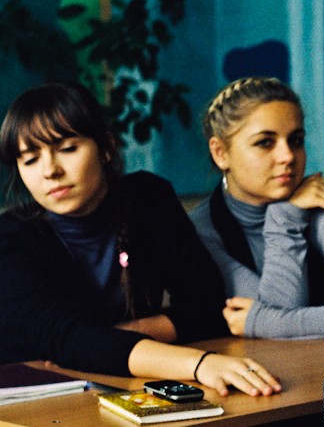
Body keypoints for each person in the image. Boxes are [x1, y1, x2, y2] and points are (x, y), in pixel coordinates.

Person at [0, 81, 281, 397]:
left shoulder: (148, 198)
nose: (49, 171)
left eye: (67, 149)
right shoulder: (11, 239)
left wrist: (105, 342)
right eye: (30, 159)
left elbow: (207, 305)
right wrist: (199, 364)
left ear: (106, 147)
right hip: (34, 399)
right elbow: (68, 340)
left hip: (125, 383)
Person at [189, 77, 324, 339]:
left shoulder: (320, 205)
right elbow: (277, 314)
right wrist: (285, 217)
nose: (287, 156)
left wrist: (261, 321)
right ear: (221, 153)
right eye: (265, 142)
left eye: (296, 140)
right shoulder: (201, 231)